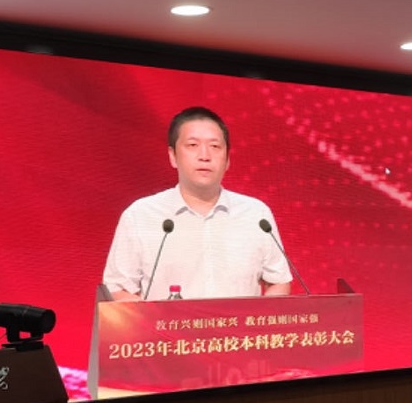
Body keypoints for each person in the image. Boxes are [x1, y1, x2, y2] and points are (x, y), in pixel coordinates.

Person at [103, 107, 293, 300]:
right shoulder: (140, 215)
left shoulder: (256, 214)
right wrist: (155, 318)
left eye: (215, 146)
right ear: (173, 156)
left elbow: (278, 281)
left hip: (239, 322)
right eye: (193, 145)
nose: (205, 155)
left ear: (227, 159)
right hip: (166, 322)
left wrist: (257, 317)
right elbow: (118, 288)